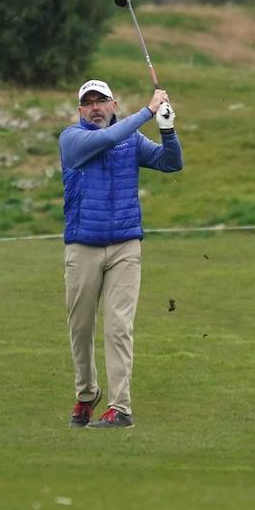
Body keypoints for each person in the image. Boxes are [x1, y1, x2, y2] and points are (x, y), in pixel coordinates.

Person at [59, 78, 182, 429]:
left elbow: (171, 164)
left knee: (118, 327)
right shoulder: (73, 140)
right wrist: (147, 110)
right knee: (81, 328)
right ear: (81, 111)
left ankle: (121, 408)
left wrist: (168, 128)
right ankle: (86, 395)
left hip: (126, 245)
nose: (95, 107)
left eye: (102, 101)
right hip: (83, 245)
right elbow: (107, 139)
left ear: (114, 105)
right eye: (88, 103)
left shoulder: (131, 138)